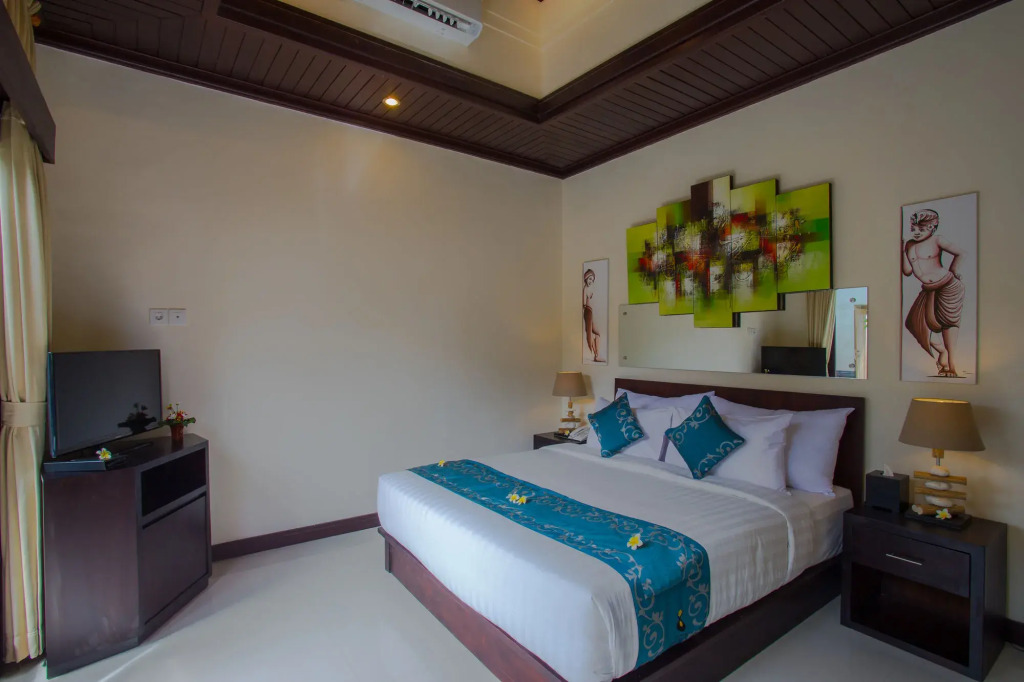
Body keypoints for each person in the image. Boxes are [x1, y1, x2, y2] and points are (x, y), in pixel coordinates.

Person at [902, 209, 965, 377]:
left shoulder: (937, 240)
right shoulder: (909, 245)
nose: (916, 232)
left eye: (921, 229)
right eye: (913, 229)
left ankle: (952, 365)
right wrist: (902, 251)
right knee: (913, 324)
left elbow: (961, 253)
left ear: (932, 227)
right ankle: (942, 351)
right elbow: (907, 271)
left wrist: (954, 271)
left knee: (948, 324)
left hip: (947, 285)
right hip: (928, 288)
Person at [583, 268, 601, 362]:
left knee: (596, 333)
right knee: (592, 334)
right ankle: (596, 355)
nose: (591, 281)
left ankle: (596, 355)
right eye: (590, 279)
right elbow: (584, 304)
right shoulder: (585, 289)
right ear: (586, 278)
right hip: (588, 312)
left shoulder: (590, 288)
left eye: (592, 280)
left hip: (590, 312)